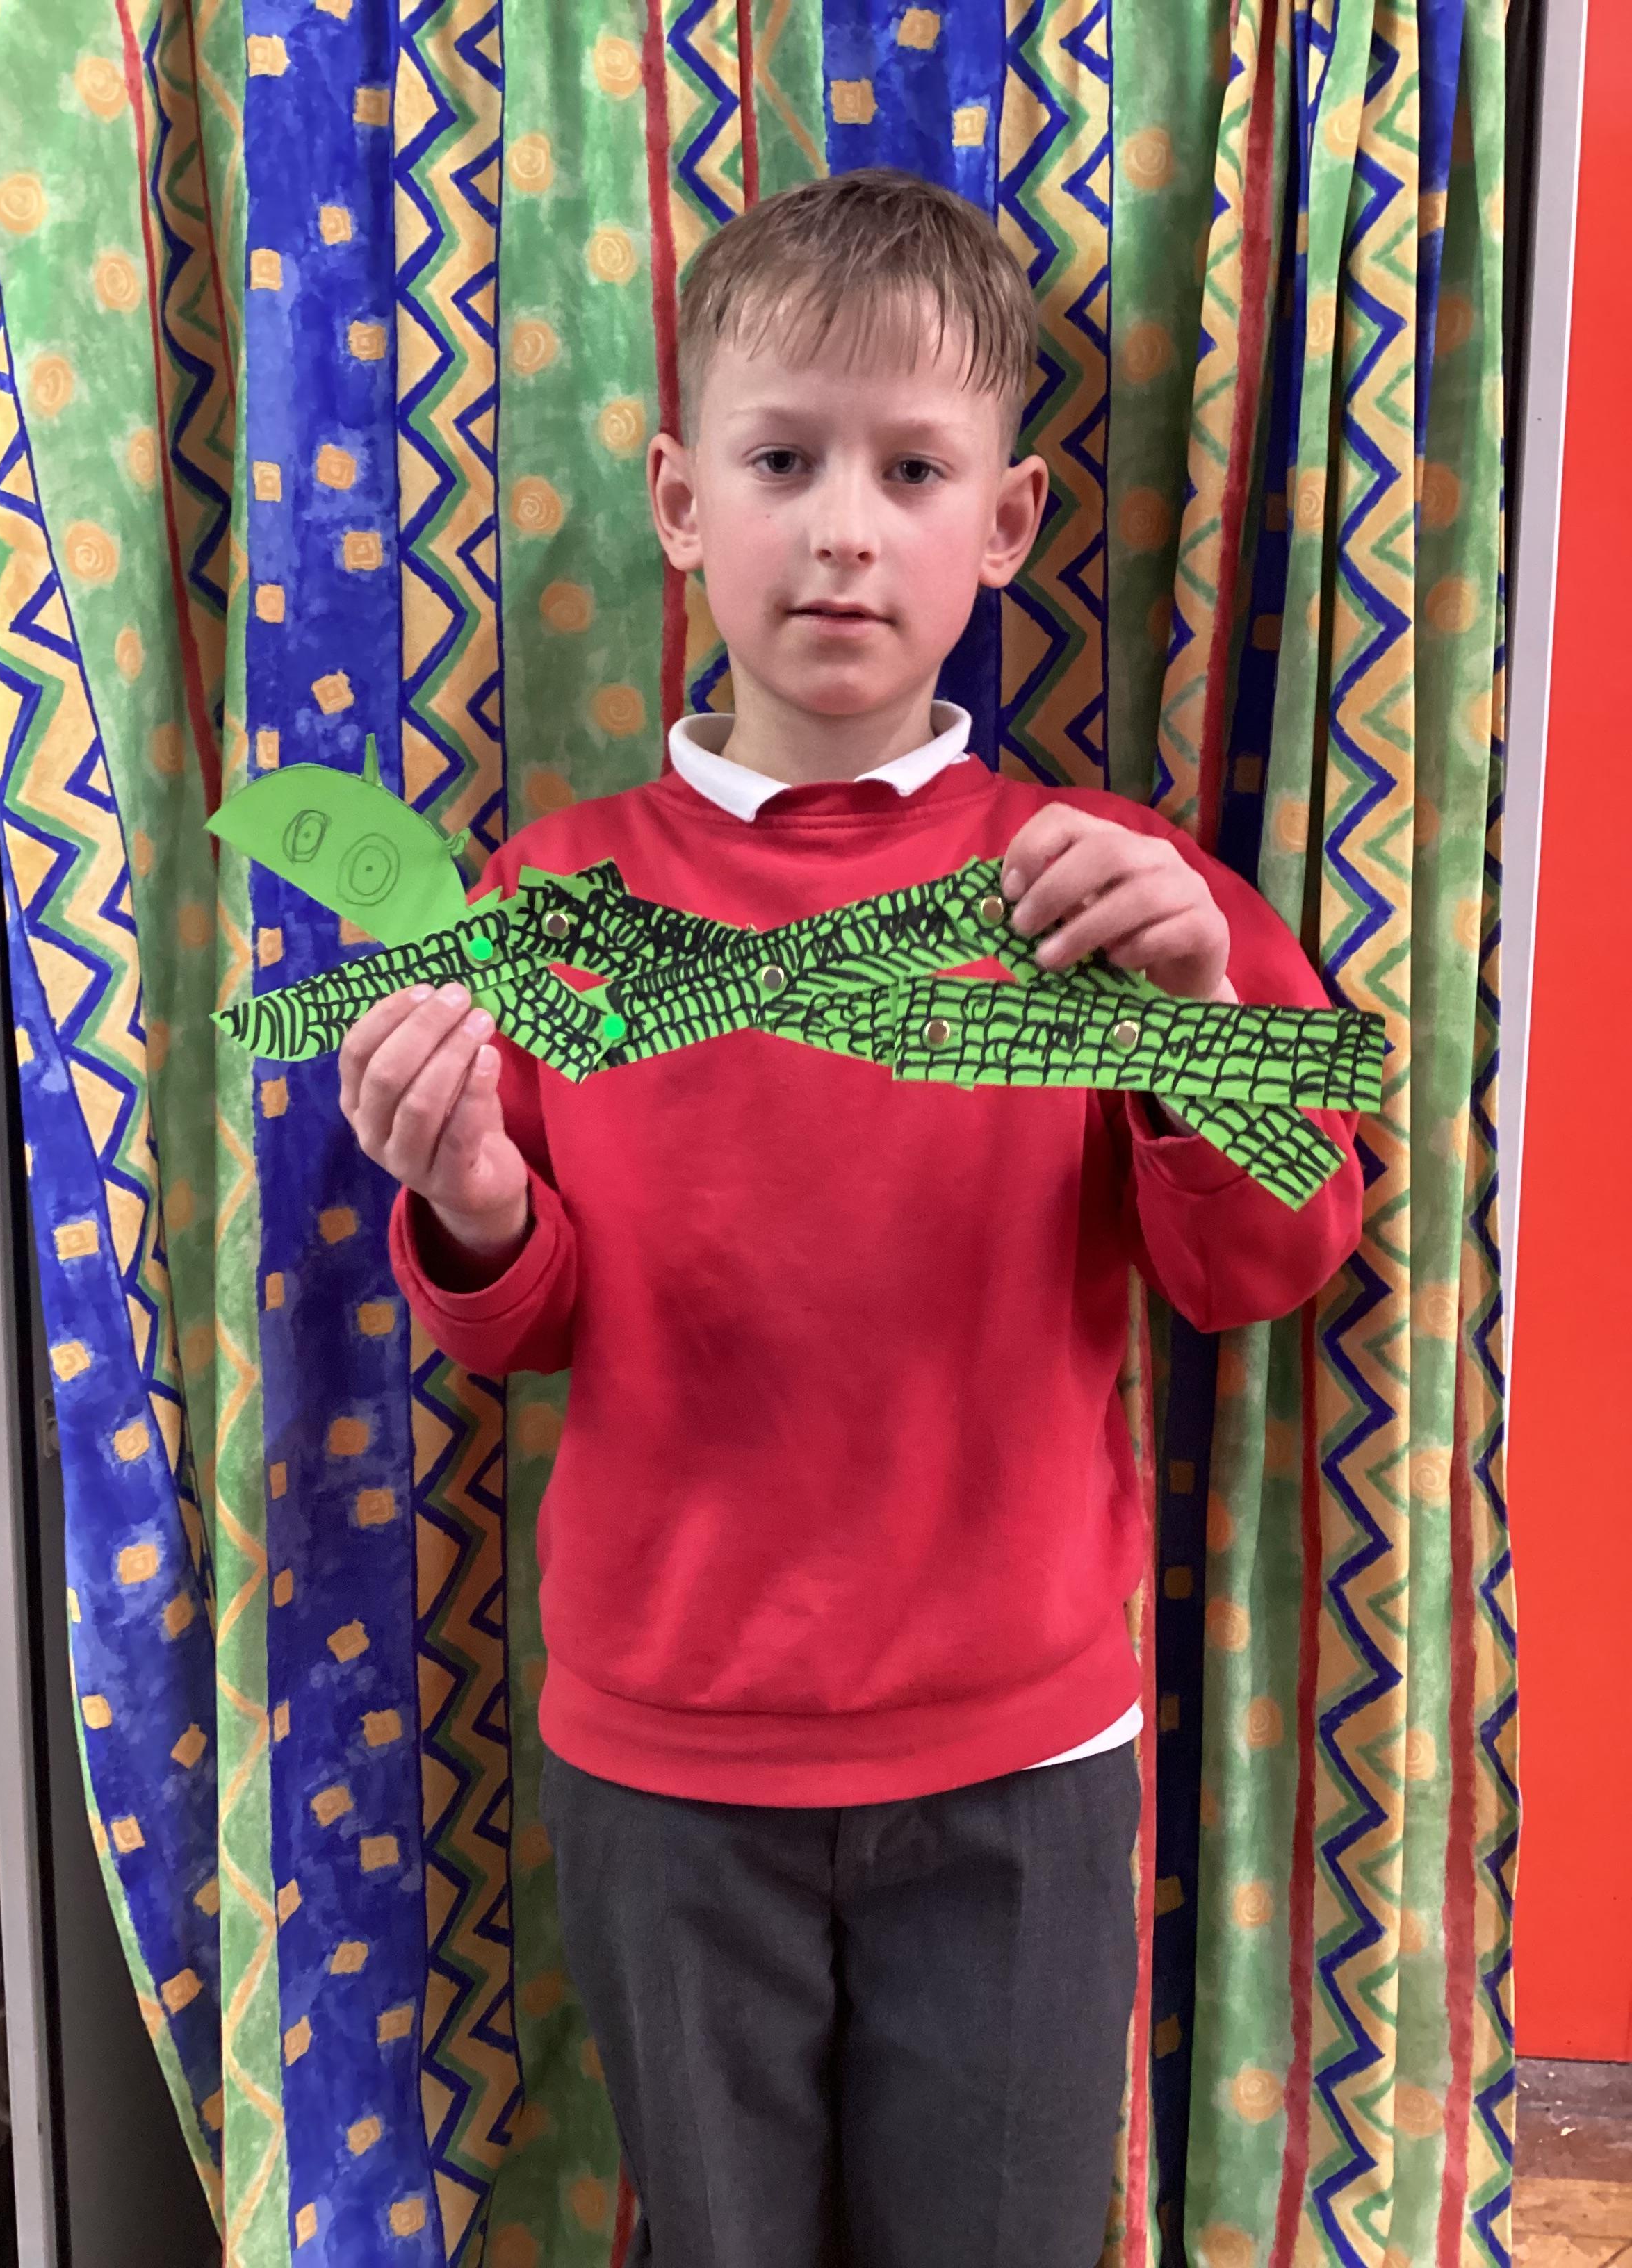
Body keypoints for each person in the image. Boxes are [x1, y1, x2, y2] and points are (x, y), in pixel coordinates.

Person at [338, 168, 1362, 2268]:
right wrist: (473, 1202)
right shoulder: (551, 895)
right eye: (782, 460)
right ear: (677, 500)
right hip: (665, 1762)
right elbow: (527, 1323)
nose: (841, 531)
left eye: (913, 471)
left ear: (1007, 523)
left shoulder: (1118, 886)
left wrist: (1197, 1023)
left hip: (1023, 1763)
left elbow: (1267, 1263)